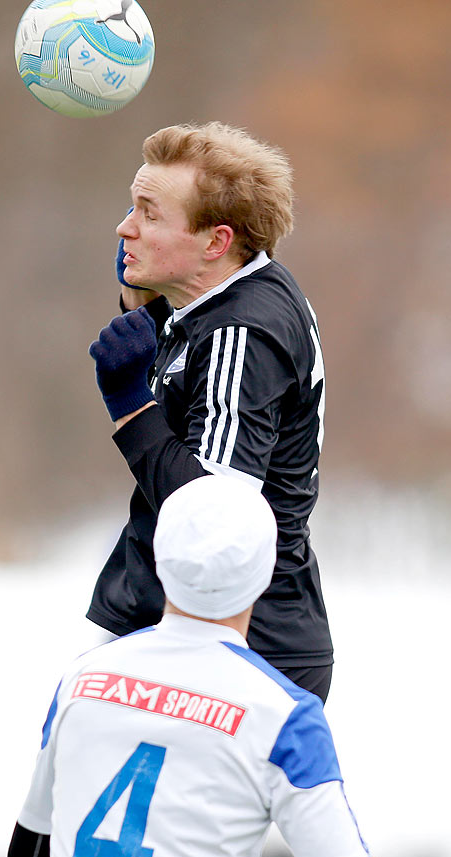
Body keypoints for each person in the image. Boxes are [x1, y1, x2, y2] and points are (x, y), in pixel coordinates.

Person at [0, 475, 451, 857]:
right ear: (263, 576)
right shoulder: (282, 714)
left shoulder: (83, 678)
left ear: (160, 560)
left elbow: (34, 838)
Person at [87, 121, 334, 701]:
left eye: (149, 214)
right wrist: (143, 303)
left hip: (240, 650)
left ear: (216, 243)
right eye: (132, 206)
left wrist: (129, 405)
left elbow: (213, 522)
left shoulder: (241, 332)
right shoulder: (210, 299)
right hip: (176, 629)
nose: (125, 227)